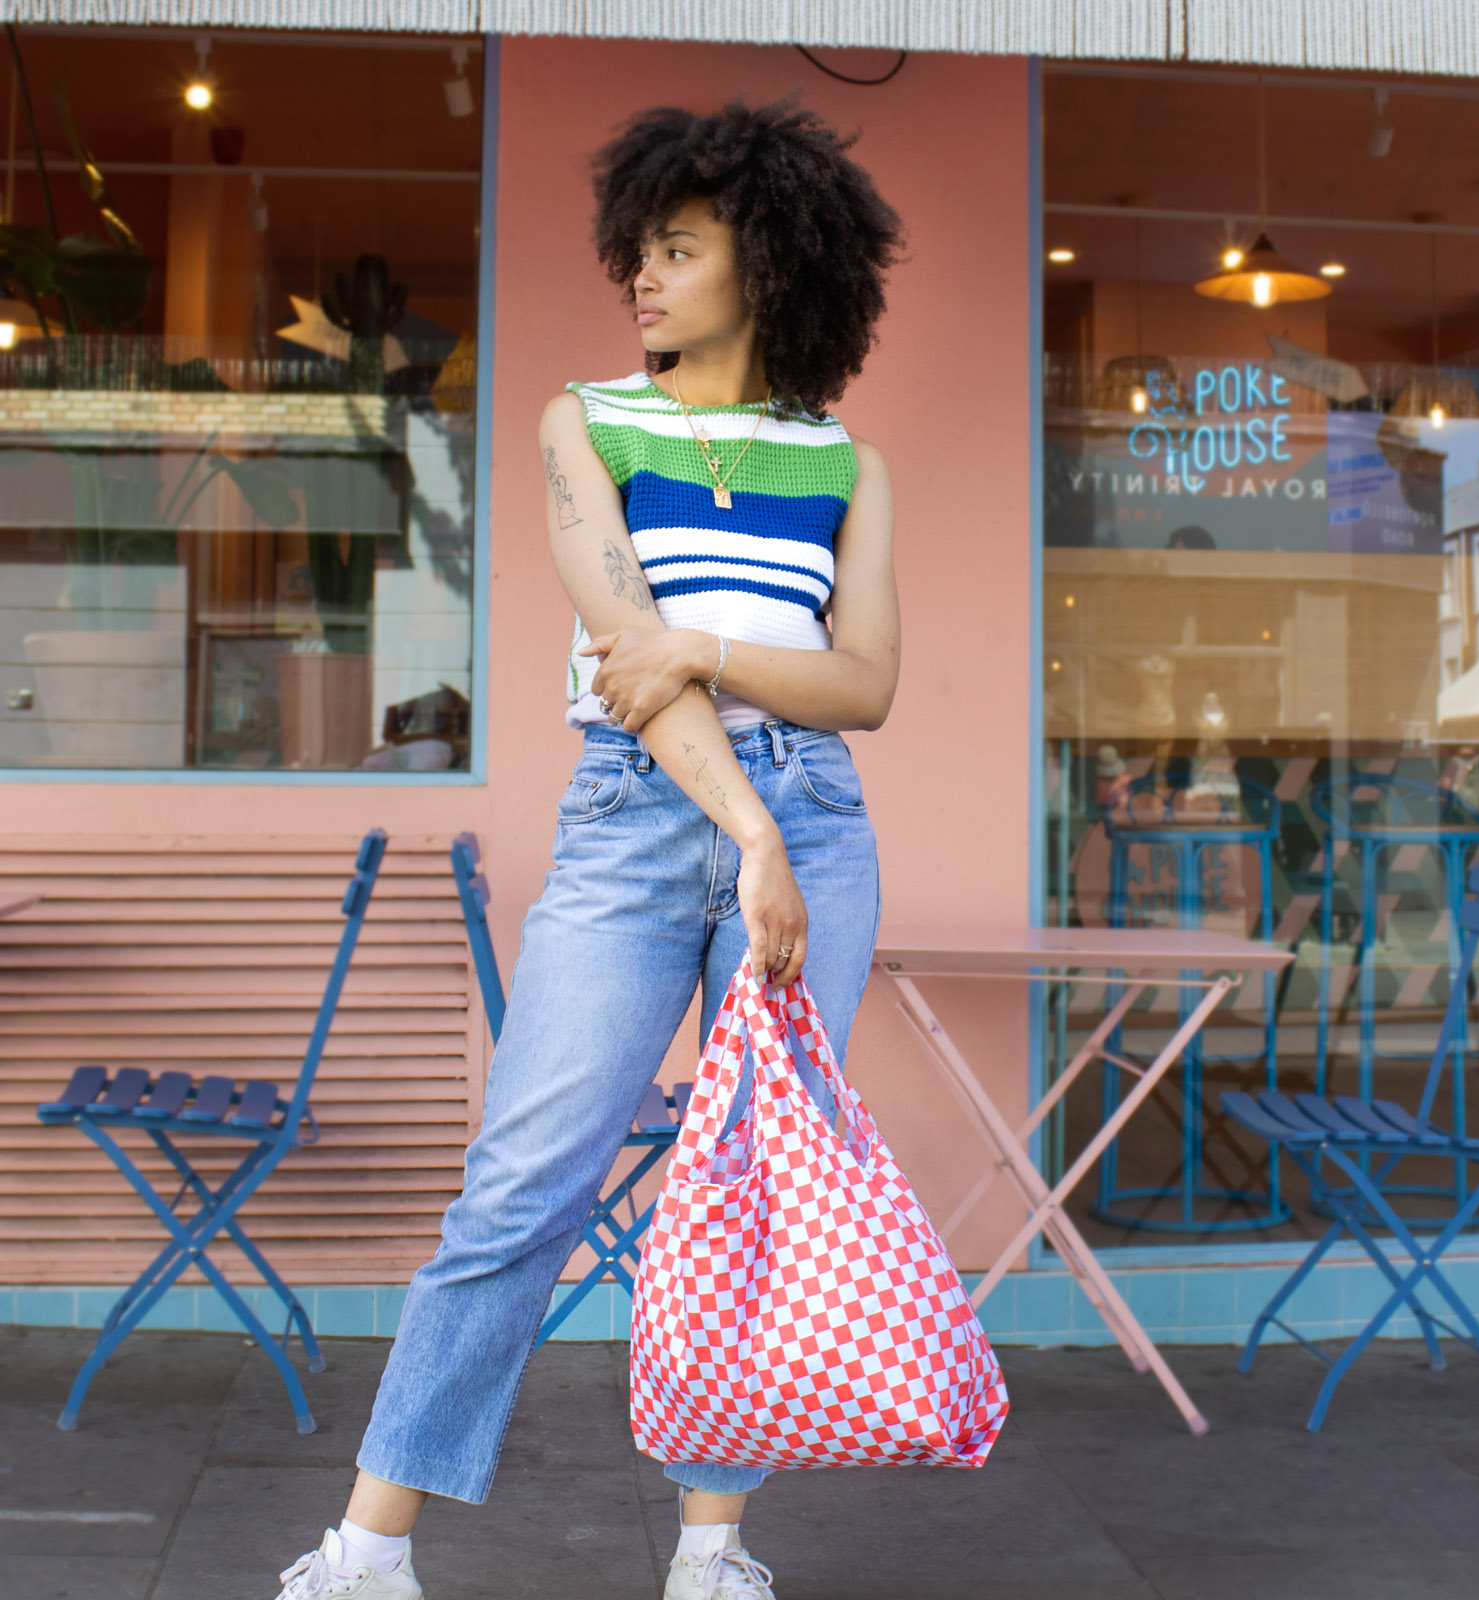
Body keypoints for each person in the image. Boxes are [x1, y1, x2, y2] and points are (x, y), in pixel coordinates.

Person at [270, 100, 903, 1600]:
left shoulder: (846, 464)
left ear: (769, 262)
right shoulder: (585, 422)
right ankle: (368, 1552)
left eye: (680, 250)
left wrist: (702, 656)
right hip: (652, 824)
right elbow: (625, 657)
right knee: (522, 1188)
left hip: (816, 817)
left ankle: (713, 1553)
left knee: (752, 1194)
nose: (645, 275)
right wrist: (744, 817)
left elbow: (864, 688)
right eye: (642, 248)